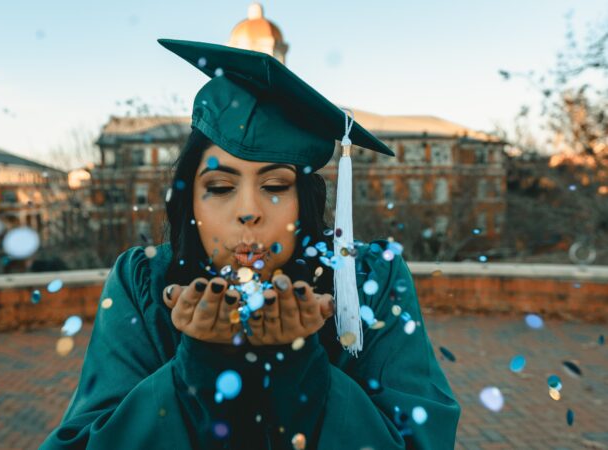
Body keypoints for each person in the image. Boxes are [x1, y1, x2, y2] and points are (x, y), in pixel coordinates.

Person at [40, 39, 460, 450]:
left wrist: (303, 370)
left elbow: (421, 439)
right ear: (190, 200)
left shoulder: (368, 279)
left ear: (307, 201)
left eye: (275, 185)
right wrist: (197, 366)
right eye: (220, 187)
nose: (248, 211)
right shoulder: (144, 282)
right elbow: (86, 439)